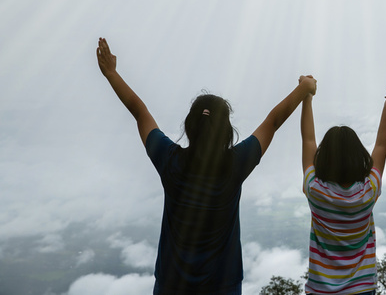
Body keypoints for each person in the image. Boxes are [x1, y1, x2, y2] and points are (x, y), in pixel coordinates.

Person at [96, 37, 317, 295]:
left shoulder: (170, 161)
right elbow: (273, 121)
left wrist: (111, 74)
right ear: (226, 132)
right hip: (223, 286)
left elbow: (139, 111)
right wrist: (305, 88)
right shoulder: (236, 164)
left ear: (189, 128)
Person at [299, 82, 386, 295]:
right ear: (359, 156)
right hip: (362, 289)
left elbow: (308, 140)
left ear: (323, 158)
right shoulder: (368, 190)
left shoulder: (315, 190)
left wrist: (306, 96)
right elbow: (382, 145)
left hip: (320, 291)